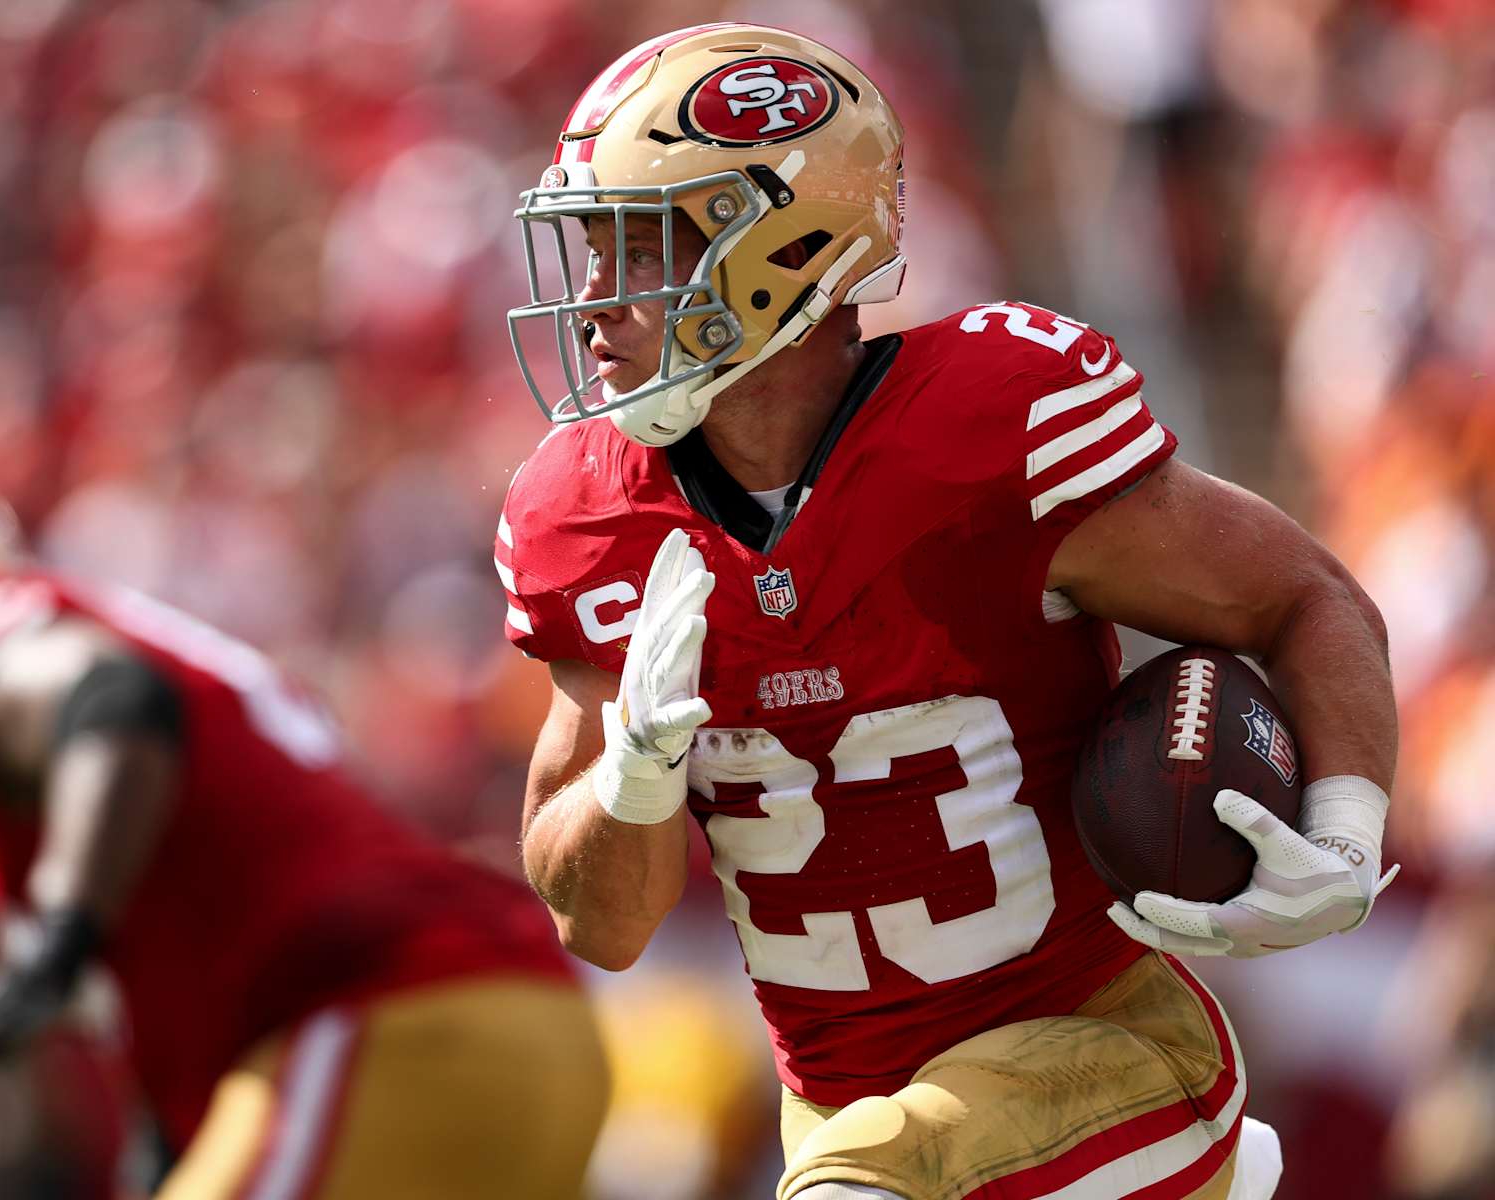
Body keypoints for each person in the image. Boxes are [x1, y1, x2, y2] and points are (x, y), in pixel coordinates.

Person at [496, 23, 1397, 1200]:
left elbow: (1304, 597)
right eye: (590, 250)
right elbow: (600, 926)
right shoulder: (588, 516)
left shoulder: (989, 433)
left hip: (1109, 1069)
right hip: (843, 1115)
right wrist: (635, 771)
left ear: (779, 240)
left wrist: (1342, 824)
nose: (597, 303)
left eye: (640, 248)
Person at [0, 451, 609, 1200]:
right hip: (492, 1032)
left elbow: (113, 702)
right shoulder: (36, 734)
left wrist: (58, 940)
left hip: (389, 1027)